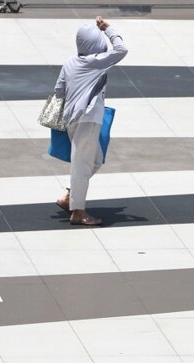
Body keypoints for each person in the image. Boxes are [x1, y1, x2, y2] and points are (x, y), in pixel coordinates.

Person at [54, 16, 128, 226]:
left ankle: (70, 197)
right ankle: (78, 212)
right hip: (86, 119)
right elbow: (121, 50)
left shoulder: (71, 62)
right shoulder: (95, 62)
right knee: (82, 165)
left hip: (73, 118)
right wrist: (108, 28)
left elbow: (59, 90)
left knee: (94, 160)